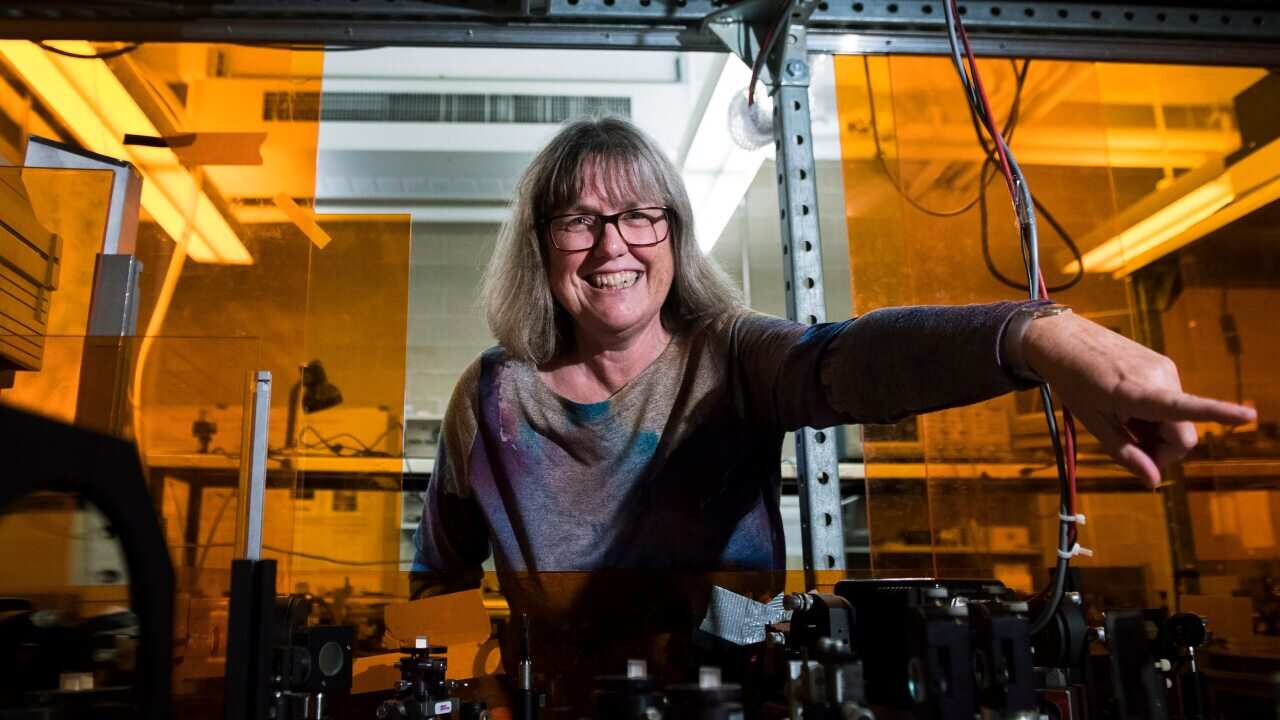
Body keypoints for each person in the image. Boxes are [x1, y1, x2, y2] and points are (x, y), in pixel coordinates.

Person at [411, 117, 1255, 705]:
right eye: (579, 221)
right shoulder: (493, 399)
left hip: (737, 707)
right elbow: (437, 585)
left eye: (640, 215)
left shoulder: (732, 358)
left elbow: (850, 361)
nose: (612, 245)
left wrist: (1040, 339)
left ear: (674, 233)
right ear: (540, 243)